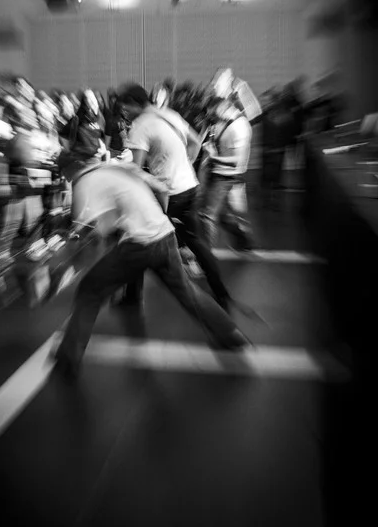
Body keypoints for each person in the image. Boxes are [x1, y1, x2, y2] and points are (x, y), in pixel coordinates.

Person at [52, 150, 250, 378]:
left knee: (90, 290)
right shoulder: (114, 167)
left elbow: (87, 232)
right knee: (187, 291)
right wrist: (156, 218)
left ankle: (68, 359)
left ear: (67, 172)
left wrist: (67, 258)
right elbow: (161, 189)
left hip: (139, 245)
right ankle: (231, 335)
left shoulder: (83, 183)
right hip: (165, 234)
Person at [117, 83, 234, 310]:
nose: (124, 113)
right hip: (190, 186)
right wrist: (183, 165)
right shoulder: (170, 114)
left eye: (125, 108)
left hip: (170, 193)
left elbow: (136, 171)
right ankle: (222, 294)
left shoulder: (140, 126)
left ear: (134, 103)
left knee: (137, 237)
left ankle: (132, 298)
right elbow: (196, 142)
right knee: (197, 242)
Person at [197, 94, 254, 252]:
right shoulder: (221, 121)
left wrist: (214, 156)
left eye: (213, 113)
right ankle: (244, 241)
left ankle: (205, 256)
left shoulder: (239, 127)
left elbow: (237, 160)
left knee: (207, 215)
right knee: (222, 215)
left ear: (223, 108)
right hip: (217, 172)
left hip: (226, 176)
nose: (212, 118)